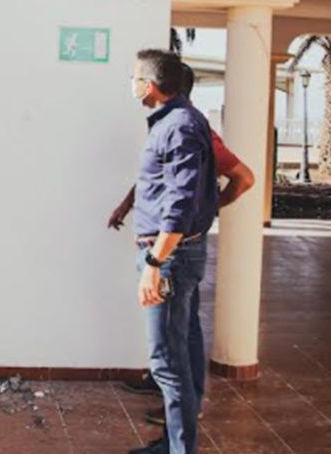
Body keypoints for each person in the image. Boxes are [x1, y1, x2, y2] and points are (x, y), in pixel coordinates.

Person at [109, 63, 255, 427]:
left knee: (181, 333)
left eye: (140, 79)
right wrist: (127, 205)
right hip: (168, 244)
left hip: (175, 251)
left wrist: (209, 207)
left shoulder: (192, 130)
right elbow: (157, 178)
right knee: (178, 330)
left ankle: (187, 404)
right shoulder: (167, 125)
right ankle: (173, 394)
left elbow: (244, 178)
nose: (136, 85)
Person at [123, 50, 219, 454]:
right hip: (176, 254)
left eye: (134, 78)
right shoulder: (175, 122)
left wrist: (155, 262)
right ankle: (172, 444)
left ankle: (180, 449)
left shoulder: (179, 126)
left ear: (150, 85)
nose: (131, 85)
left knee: (165, 359)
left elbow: (180, 201)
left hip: (171, 260)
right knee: (183, 345)